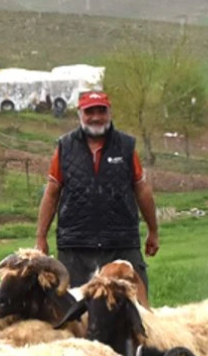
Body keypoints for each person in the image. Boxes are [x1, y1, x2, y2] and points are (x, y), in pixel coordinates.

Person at [35, 90, 159, 289]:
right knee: (74, 314)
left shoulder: (126, 146)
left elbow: (142, 189)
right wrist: (41, 237)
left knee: (136, 311)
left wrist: (153, 230)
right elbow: (52, 192)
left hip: (121, 244)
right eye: (89, 111)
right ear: (80, 114)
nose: (96, 117)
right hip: (75, 247)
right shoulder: (65, 147)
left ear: (109, 113)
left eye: (101, 111)